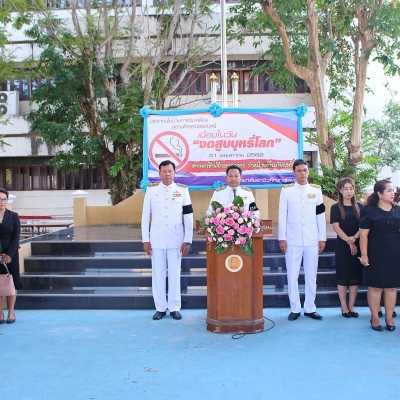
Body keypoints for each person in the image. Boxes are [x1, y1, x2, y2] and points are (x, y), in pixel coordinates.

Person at [141, 160, 193, 321]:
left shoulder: (182, 190)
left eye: (170, 171)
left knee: (175, 273)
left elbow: (188, 216)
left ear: (174, 173)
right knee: (158, 273)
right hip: (156, 239)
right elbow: (145, 216)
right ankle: (160, 308)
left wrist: (187, 240)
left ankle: (175, 307)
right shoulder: (151, 191)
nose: (167, 174)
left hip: (176, 239)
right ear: (159, 173)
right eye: (164, 171)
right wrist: (145, 239)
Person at [278, 159, 326, 321]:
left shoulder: (316, 191)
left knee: (311, 275)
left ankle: (310, 308)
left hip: (312, 239)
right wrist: (282, 238)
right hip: (292, 239)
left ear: (308, 172)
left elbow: (320, 215)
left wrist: (322, 237)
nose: (302, 173)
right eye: (299, 170)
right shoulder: (287, 191)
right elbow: (282, 216)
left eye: (305, 170)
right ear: (294, 173)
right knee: (292, 276)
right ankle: (295, 308)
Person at [359, 179, 400, 332]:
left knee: (391, 287)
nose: (392, 193)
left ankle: (389, 318)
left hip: (394, 253)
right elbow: (363, 235)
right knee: (375, 287)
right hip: (375, 254)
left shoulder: (397, 210)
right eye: (389, 190)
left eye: (393, 190)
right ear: (379, 193)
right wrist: (364, 255)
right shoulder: (368, 210)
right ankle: (375, 317)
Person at [330, 178, 363, 318]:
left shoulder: (360, 207)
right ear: (340, 190)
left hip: (358, 243)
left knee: (355, 276)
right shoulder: (336, 207)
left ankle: (351, 306)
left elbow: (364, 226)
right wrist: (350, 242)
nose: (349, 191)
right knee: (343, 276)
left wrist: (355, 238)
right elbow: (336, 227)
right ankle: (344, 306)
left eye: (351, 188)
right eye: (346, 188)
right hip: (343, 245)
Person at [0, 188, 21, 324]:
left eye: (4, 199)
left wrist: (8, 255)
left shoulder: (13, 216)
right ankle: (0, 313)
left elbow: (16, 236)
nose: (2, 202)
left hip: (11, 255)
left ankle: (11, 312)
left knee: (12, 282)